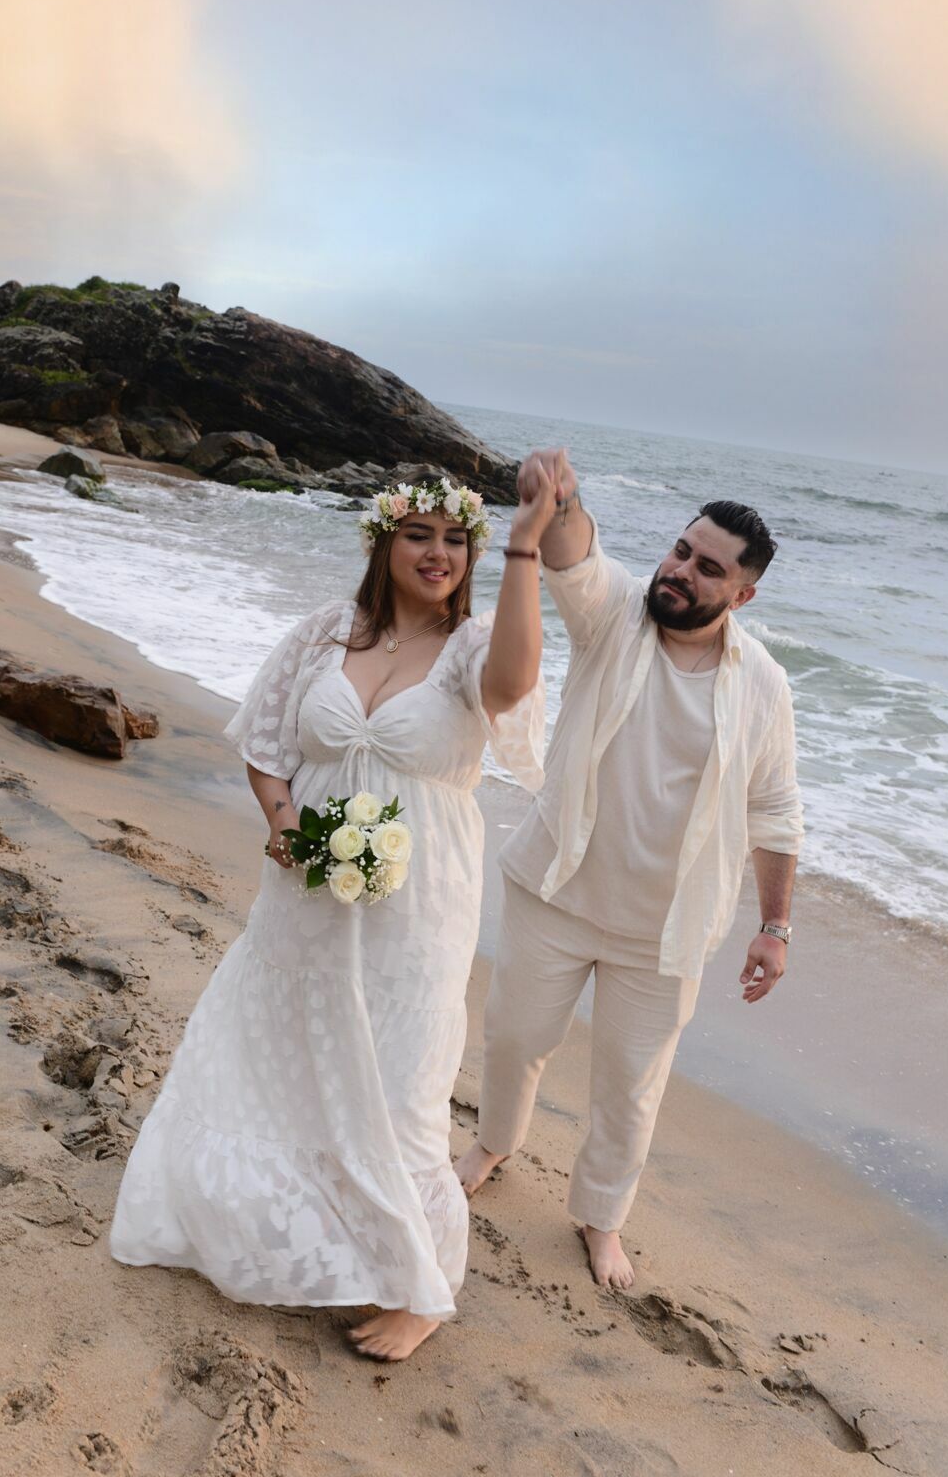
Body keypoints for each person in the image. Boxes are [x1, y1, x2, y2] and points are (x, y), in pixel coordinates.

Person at [110, 471, 552, 1361]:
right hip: (305, 885)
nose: (436, 552)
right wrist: (282, 827)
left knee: (402, 1079)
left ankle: (420, 1286)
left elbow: (515, 682)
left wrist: (525, 542)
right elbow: (267, 746)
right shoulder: (324, 632)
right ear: (382, 543)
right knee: (285, 1047)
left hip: (416, 896)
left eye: (453, 539)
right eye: (417, 534)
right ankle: (274, 1228)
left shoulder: (470, 649)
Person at [455, 446, 803, 1292]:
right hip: (556, 888)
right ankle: (493, 1143)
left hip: (666, 925)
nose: (680, 570)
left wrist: (773, 927)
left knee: (629, 1082)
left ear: (742, 593)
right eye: (680, 550)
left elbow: (775, 809)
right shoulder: (618, 614)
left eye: (706, 567)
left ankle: (600, 1218)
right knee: (514, 1037)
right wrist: (558, 498)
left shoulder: (762, 683)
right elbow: (573, 557)